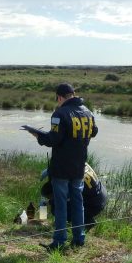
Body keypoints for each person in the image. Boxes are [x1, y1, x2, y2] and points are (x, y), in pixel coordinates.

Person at [22, 83, 97, 251]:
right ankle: (79, 239)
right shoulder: (88, 112)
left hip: (61, 168)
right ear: (73, 94)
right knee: (78, 203)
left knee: (61, 204)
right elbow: (94, 132)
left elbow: (52, 140)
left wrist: (37, 135)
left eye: (57, 99)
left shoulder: (59, 113)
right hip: (79, 166)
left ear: (60, 97)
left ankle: (59, 242)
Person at [41, 162, 107, 231]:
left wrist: (48, 204)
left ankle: (87, 221)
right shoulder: (77, 161)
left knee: (55, 208)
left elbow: (63, 202)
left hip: (95, 203)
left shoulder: (72, 179)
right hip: (100, 192)